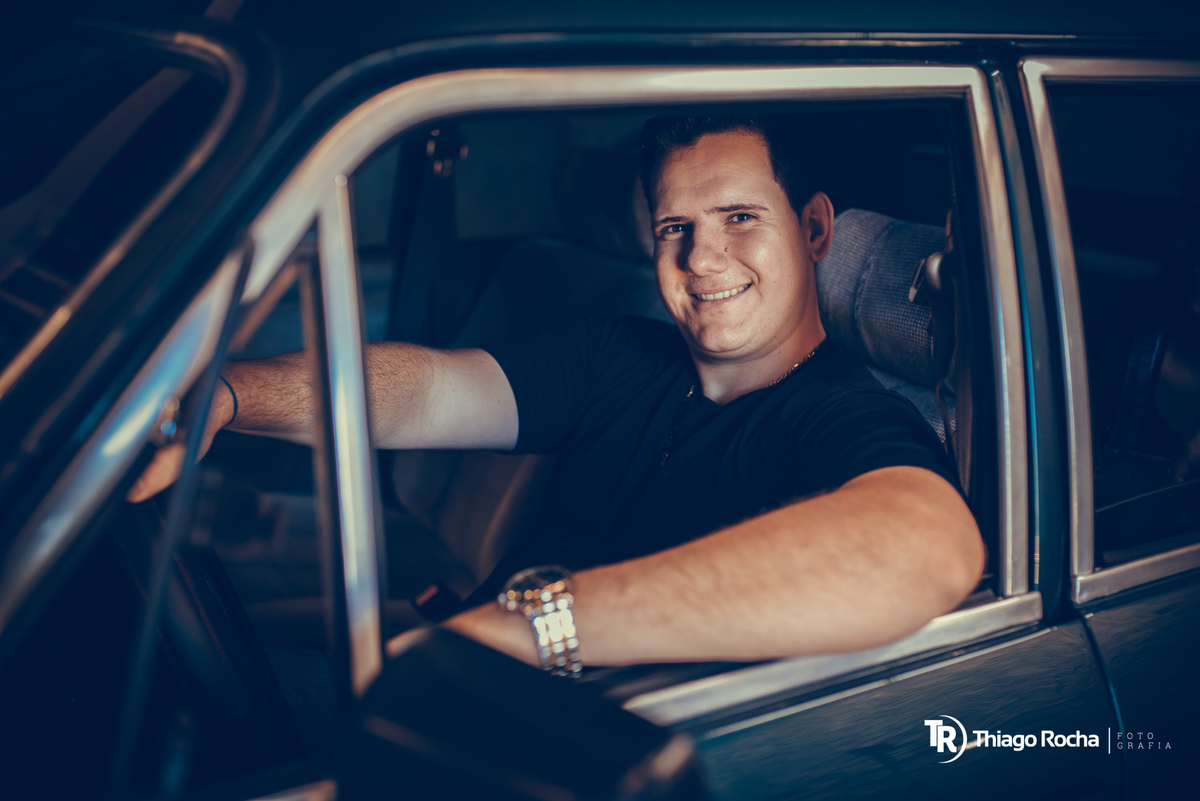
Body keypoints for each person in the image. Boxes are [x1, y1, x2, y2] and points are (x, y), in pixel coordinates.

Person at [129, 115, 984, 670]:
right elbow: (426, 392)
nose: (701, 257)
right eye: (675, 228)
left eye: (739, 218)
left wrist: (532, 627)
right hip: (466, 673)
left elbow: (929, 547)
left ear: (815, 227)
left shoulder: (842, 413)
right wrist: (223, 396)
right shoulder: (616, 352)